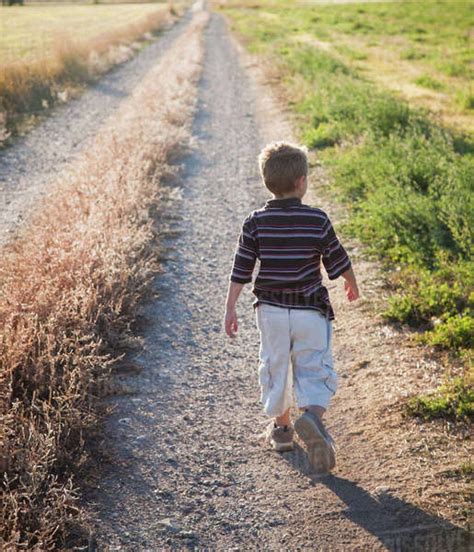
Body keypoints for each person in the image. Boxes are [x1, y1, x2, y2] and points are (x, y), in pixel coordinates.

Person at [223, 141, 359, 473]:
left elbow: (241, 268)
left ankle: (282, 429)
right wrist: (351, 282)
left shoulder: (255, 222)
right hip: (310, 310)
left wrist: (230, 308)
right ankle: (311, 416)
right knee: (314, 364)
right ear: (301, 182)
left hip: (270, 310)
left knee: (275, 365)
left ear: (268, 181)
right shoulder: (317, 219)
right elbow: (337, 258)